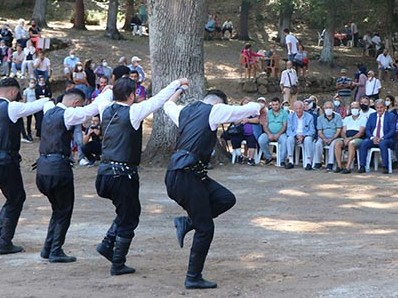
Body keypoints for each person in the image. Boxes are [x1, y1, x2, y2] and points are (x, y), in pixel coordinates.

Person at [164, 88, 264, 289]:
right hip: (186, 175)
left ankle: (187, 222)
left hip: (183, 174)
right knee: (206, 228)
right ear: (218, 103)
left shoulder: (185, 112)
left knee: (225, 198)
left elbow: (168, 106)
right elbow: (246, 109)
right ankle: (193, 277)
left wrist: (180, 90)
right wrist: (261, 107)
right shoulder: (214, 111)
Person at [95, 77, 188, 276]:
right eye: (134, 93)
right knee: (129, 217)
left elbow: (104, 96)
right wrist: (177, 83)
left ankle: (107, 244)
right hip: (123, 176)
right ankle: (118, 262)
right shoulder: (133, 112)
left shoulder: (104, 108)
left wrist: (108, 90)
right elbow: (158, 100)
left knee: (126, 212)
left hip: (104, 174)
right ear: (130, 96)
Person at [36, 88, 111, 263]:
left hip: (42, 168)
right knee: (64, 210)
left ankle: (48, 248)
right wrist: (107, 92)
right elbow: (91, 110)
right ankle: (55, 250)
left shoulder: (48, 110)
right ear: (76, 103)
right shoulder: (68, 114)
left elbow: (44, 102)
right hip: (58, 169)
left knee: (58, 209)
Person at [0, 77, 50, 255]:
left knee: (12, 198)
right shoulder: (11, 107)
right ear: (13, 92)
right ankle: (4, 241)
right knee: (16, 198)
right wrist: (49, 100)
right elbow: (34, 106)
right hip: (6, 162)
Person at [358, 99, 397, 174]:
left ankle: (385, 167)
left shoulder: (391, 116)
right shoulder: (372, 116)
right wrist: (372, 138)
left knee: (383, 143)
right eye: (377, 107)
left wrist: (382, 138)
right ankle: (362, 166)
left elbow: (392, 130)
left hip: (387, 139)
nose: (379, 109)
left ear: (385, 107)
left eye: (381, 107)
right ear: (375, 108)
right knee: (364, 143)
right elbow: (368, 129)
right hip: (373, 138)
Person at [335, 101, 366, 174]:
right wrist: (345, 138)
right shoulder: (346, 119)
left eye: (356, 108)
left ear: (359, 109)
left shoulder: (363, 118)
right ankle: (339, 166)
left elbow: (361, 132)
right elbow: (343, 131)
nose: (354, 109)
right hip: (347, 137)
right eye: (352, 108)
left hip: (357, 138)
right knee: (338, 143)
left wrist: (350, 138)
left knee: (351, 144)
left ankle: (348, 167)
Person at [313, 101, 343, 171]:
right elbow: (319, 131)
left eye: (330, 107)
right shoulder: (320, 118)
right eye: (326, 108)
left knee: (333, 144)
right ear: (323, 108)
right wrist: (324, 138)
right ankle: (318, 162)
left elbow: (338, 130)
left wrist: (332, 138)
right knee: (318, 144)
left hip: (334, 137)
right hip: (323, 137)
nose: (328, 109)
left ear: (333, 108)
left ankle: (330, 163)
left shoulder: (338, 117)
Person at [258, 96, 288, 166]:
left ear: (280, 104)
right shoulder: (268, 113)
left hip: (281, 133)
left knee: (285, 140)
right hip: (269, 133)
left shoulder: (284, 113)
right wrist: (269, 134)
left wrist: (278, 134)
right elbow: (265, 125)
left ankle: (282, 160)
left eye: (276, 104)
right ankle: (268, 157)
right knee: (261, 140)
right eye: (273, 105)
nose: (275, 106)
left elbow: (284, 126)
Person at [286, 100, 315, 170]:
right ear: (294, 109)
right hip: (295, 135)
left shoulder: (309, 117)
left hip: (305, 135)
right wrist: (296, 135)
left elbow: (312, 131)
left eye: (300, 108)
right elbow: (288, 130)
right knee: (289, 139)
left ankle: (308, 162)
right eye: (296, 108)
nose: (298, 110)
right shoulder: (290, 117)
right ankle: (291, 161)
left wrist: (303, 136)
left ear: (303, 108)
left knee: (308, 140)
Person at [22, 77, 37, 142]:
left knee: (38, 120)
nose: (32, 84)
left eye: (33, 83)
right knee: (29, 121)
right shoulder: (26, 91)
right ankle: (29, 133)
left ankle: (39, 132)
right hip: (29, 107)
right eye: (31, 82)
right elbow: (24, 99)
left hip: (36, 107)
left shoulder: (36, 90)